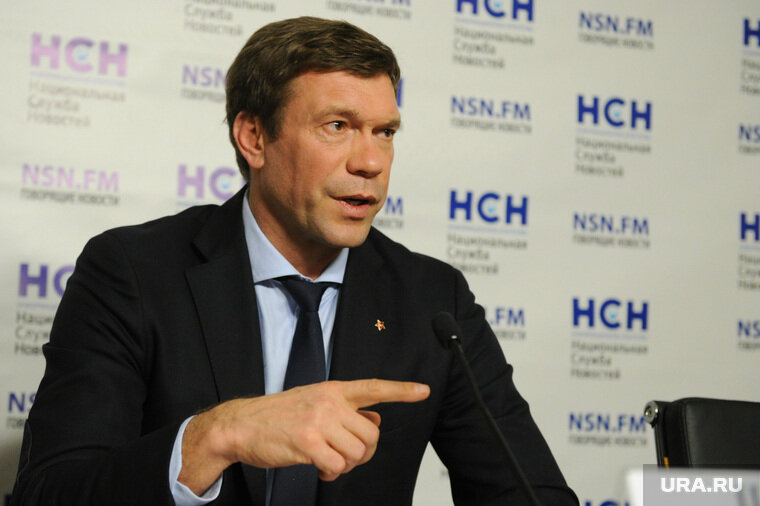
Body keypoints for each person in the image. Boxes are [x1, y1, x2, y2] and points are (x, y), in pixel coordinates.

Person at [11, 17, 578, 506]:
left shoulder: (432, 299)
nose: (371, 161)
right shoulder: (133, 271)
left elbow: (530, 494)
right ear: (254, 137)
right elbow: (50, 492)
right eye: (338, 126)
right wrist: (218, 434)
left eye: (385, 132)